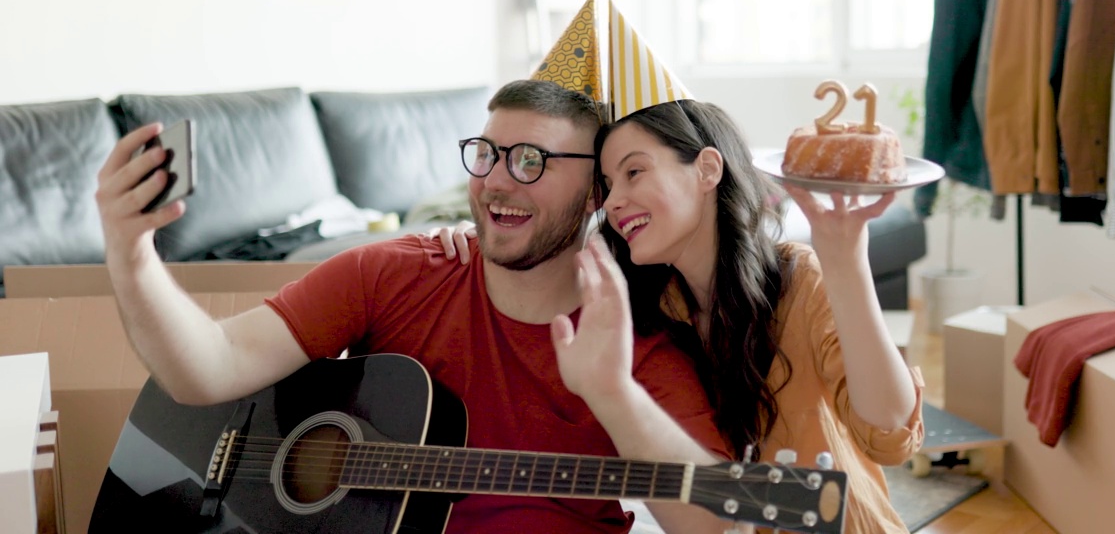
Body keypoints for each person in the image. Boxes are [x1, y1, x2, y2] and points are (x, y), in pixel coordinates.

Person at [94, 79, 734, 534]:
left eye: (532, 160)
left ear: (597, 190)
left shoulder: (640, 348)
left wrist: (613, 392)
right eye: (486, 154)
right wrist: (130, 251)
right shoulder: (392, 272)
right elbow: (208, 368)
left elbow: (711, 522)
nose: (497, 180)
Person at [435, 98, 925, 533]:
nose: (615, 200)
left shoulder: (797, 281)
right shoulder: (646, 307)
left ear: (707, 170)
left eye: (634, 172)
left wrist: (846, 261)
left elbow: (890, 433)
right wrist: (479, 239)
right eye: (606, 184)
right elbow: (550, 258)